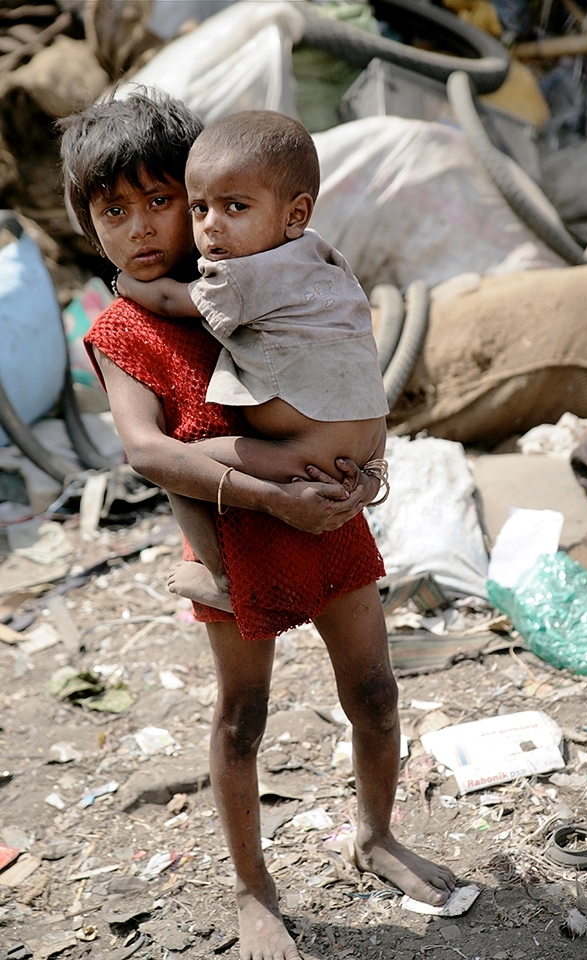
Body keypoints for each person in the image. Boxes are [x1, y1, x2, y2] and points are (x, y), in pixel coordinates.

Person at [60, 91, 455, 960]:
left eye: (163, 199)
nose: (145, 227)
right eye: (112, 211)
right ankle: (253, 888)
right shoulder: (126, 328)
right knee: (242, 717)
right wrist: (278, 494)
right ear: (90, 229)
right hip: (238, 540)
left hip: (330, 517)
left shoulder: (254, 277)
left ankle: (377, 836)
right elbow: (148, 453)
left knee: (376, 693)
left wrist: (350, 462)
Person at [115, 110, 390, 613]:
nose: (211, 226)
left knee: (183, 461)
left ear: (295, 215)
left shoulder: (245, 274)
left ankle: (218, 578)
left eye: (235, 207)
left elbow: (175, 303)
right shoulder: (322, 260)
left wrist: (126, 284)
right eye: (199, 210)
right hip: (365, 451)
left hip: (305, 457)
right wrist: (373, 474)